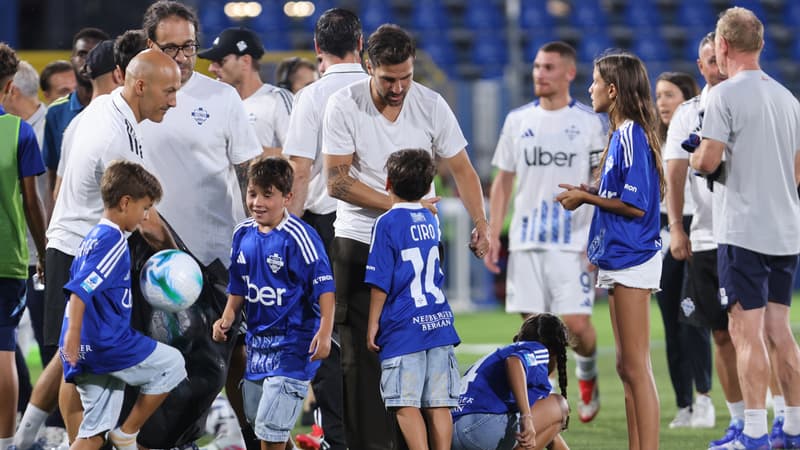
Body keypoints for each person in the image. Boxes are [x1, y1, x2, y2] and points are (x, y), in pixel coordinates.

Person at [322, 24, 490, 450]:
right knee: (363, 359)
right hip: (360, 243)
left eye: (406, 77)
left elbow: (464, 169)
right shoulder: (344, 104)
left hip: (418, 246)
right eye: (389, 79)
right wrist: (400, 206)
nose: (399, 88)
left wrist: (482, 223)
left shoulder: (431, 104)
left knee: (422, 357)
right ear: (367, 66)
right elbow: (337, 181)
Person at [14, 49, 181, 450]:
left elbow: (60, 184)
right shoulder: (113, 134)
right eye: (169, 90)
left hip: (73, 245)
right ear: (140, 85)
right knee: (78, 361)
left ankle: (31, 440)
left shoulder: (105, 107)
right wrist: (179, 259)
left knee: (74, 361)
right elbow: (144, 216)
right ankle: (71, 442)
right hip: (85, 252)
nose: (174, 100)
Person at [139, 2, 261, 448]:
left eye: (189, 46)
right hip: (153, 259)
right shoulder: (133, 99)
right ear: (149, 45)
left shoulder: (222, 97)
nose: (184, 57)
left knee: (212, 371)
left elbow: (248, 169)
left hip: (217, 259)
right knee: (158, 367)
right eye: (171, 47)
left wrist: (259, 236)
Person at [690, 7, 800, 450]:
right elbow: (797, 171)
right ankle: (792, 428)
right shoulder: (788, 99)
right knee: (781, 331)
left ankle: (753, 433)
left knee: (745, 331)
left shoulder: (724, 96)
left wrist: (697, 156)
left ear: (723, 46)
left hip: (743, 230)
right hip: (786, 229)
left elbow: (709, 161)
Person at [482, 41, 607, 424]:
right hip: (525, 240)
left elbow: (601, 182)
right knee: (535, 329)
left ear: (569, 73)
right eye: (537, 66)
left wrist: (597, 240)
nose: (539, 73)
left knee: (578, 324)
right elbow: (503, 181)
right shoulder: (518, 120)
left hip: (573, 242)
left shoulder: (589, 122)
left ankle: (586, 373)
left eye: (548, 67)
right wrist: (493, 233)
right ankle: (543, 400)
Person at [557, 51, 663, 450]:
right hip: (621, 254)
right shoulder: (621, 134)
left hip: (633, 254)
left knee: (636, 366)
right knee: (625, 365)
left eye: (596, 81)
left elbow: (635, 205)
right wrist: (588, 191)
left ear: (613, 90)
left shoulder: (632, 133)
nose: (590, 88)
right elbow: (617, 193)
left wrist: (588, 200)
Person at [58, 160, 185, 450]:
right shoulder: (112, 240)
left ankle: (123, 435)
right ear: (126, 203)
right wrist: (73, 335)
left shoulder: (93, 236)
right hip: (106, 344)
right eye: (145, 208)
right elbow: (80, 290)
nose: (145, 216)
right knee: (173, 364)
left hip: (94, 344)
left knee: (92, 434)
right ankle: (127, 435)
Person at [283, 8, 365, 450]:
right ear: (361, 42)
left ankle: (336, 434)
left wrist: (288, 230)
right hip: (376, 224)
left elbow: (299, 170)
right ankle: (380, 429)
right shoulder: (379, 90)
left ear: (318, 49)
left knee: (327, 334)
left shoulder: (311, 96)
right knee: (374, 330)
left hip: (325, 225)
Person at [211, 156, 334, 450]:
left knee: (270, 430)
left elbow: (325, 288)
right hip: (258, 347)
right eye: (253, 194)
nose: (257, 203)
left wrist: (326, 332)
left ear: (287, 198)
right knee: (259, 422)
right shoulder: (243, 234)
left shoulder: (300, 238)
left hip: (294, 346)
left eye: (268, 195)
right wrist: (227, 316)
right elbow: (239, 285)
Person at [664, 32, 745, 448]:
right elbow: (675, 176)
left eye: (723, 58)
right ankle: (738, 421)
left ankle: (780, 419)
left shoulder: (754, 102)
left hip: (749, 235)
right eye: (711, 60)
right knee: (720, 334)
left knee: (756, 331)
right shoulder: (687, 114)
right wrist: (677, 227)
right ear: (701, 66)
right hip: (707, 239)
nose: (718, 66)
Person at [364, 149, 461, 450]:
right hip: (439, 321)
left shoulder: (386, 222)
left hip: (404, 325)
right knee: (439, 404)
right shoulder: (431, 217)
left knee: (405, 405)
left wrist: (372, 324)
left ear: (387, 183)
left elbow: (381, 280)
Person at [653, 71, 714, 430]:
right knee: (671, 322)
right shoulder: (652, 140)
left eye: (669, 95)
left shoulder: (700, 132)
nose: (661, 102)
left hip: (697, 226)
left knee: (694, 317)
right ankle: (684, 403)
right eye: (658, 95)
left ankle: (705, 398)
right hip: (664, 232)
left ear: (687, 99)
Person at [0, 41, 47, 450]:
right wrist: (45, 253)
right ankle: (5, 441)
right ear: (9, 85)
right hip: (8, 256)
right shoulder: (19, 131)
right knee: (3, 351)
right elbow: (31, 201)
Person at [451, 313, 571, 450]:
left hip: (453, 430)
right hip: (477, 429)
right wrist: (526, 417)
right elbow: (514, 362)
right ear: (555, 351)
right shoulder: (538, 349)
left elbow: (550, 434)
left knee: (547, 425)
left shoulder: (500, 355)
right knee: (559, 405)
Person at [200, 27, 293, 157]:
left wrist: (250, 151)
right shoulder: (215, 103)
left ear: (245, 61)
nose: (211, 68)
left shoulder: (277, 99)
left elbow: (299, 156)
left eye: (220, 61)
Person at [41, 27, 109, 203]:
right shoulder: (56, 113)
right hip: (71, 222)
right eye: (82, 54)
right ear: (72, 59)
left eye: (95, 54)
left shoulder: (119, 110)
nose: (88, 60)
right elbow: (52, 180)